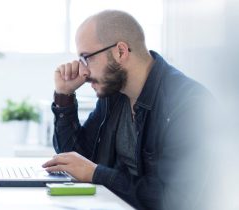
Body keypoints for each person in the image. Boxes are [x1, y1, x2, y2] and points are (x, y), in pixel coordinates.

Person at [42, 10, 215, 210]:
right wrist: (64, 96)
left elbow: (174, 201)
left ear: (121, 52)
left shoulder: (189, 104)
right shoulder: (114, 95)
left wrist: (97, 174)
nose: (83, 71)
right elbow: (75, 161)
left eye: (86, 58)